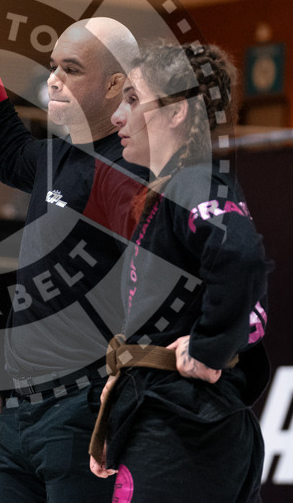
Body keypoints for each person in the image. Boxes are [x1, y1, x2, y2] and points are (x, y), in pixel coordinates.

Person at [0, 0, 146, 502]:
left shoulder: (133, 174)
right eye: (53, 66)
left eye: (71, 69)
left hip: (85, 404)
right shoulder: (53, 159)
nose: (54, 80)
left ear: (115, 86)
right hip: (20, 408)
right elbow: (4, 143)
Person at [89, 41, 271, 502]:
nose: (117, 117)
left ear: (176, 113)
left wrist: (209, 346)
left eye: (133, 100)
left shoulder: (195, 179)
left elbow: (242, 259)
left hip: (186, 426)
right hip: (181, 419)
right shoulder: (175, 189)